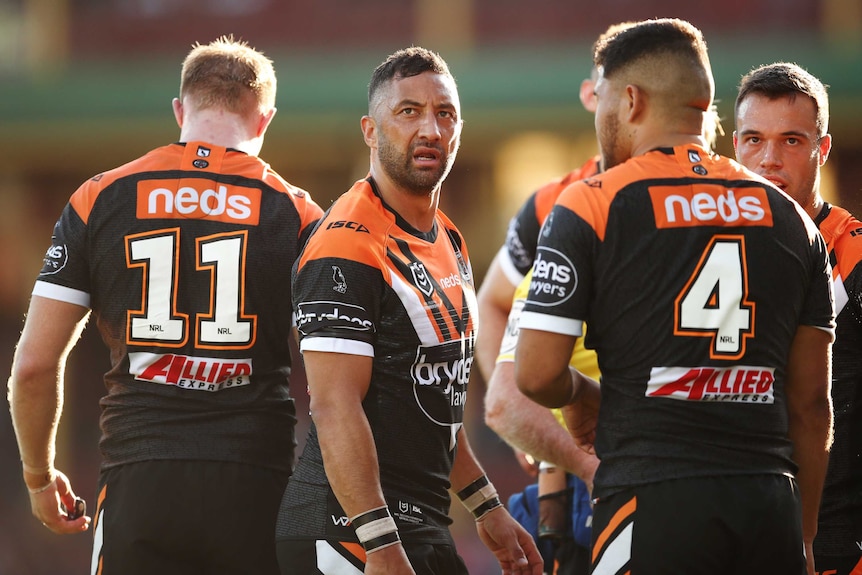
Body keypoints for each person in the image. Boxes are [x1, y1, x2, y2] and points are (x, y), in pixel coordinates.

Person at [514, 18, 835, 575]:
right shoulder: (793, 219)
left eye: (603, 103)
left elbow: (535, 374)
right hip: (769, 508)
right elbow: (811, 407)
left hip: (651, 500)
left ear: (630, 99)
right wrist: (804, 537)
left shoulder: (590, 204)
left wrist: (587, 395)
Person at [7, 35, 323, 574]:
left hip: (139, 478)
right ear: (264, 120)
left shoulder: (99, 197)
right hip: (255, 482)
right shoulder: (300, 215)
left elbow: (33, 367)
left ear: (180, 110)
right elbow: (337, 377)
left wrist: (39, 477)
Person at [273, 47, 542, 575]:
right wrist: (380, 546)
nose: (431, 130)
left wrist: (488, 509)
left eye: (445, 113)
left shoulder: (450, 239)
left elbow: (436, 408)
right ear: (370, 131)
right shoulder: (345, 244)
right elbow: (333, 407)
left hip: (423, 525)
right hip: (347, 534)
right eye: (409, 112)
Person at [734, 61, 862, 575]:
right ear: (733, 146)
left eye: (791, 141)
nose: (769, 160)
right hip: (726, 524)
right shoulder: (698, 249)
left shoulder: (852, 253)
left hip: (836, 533)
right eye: (753, 140)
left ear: (821, 149)